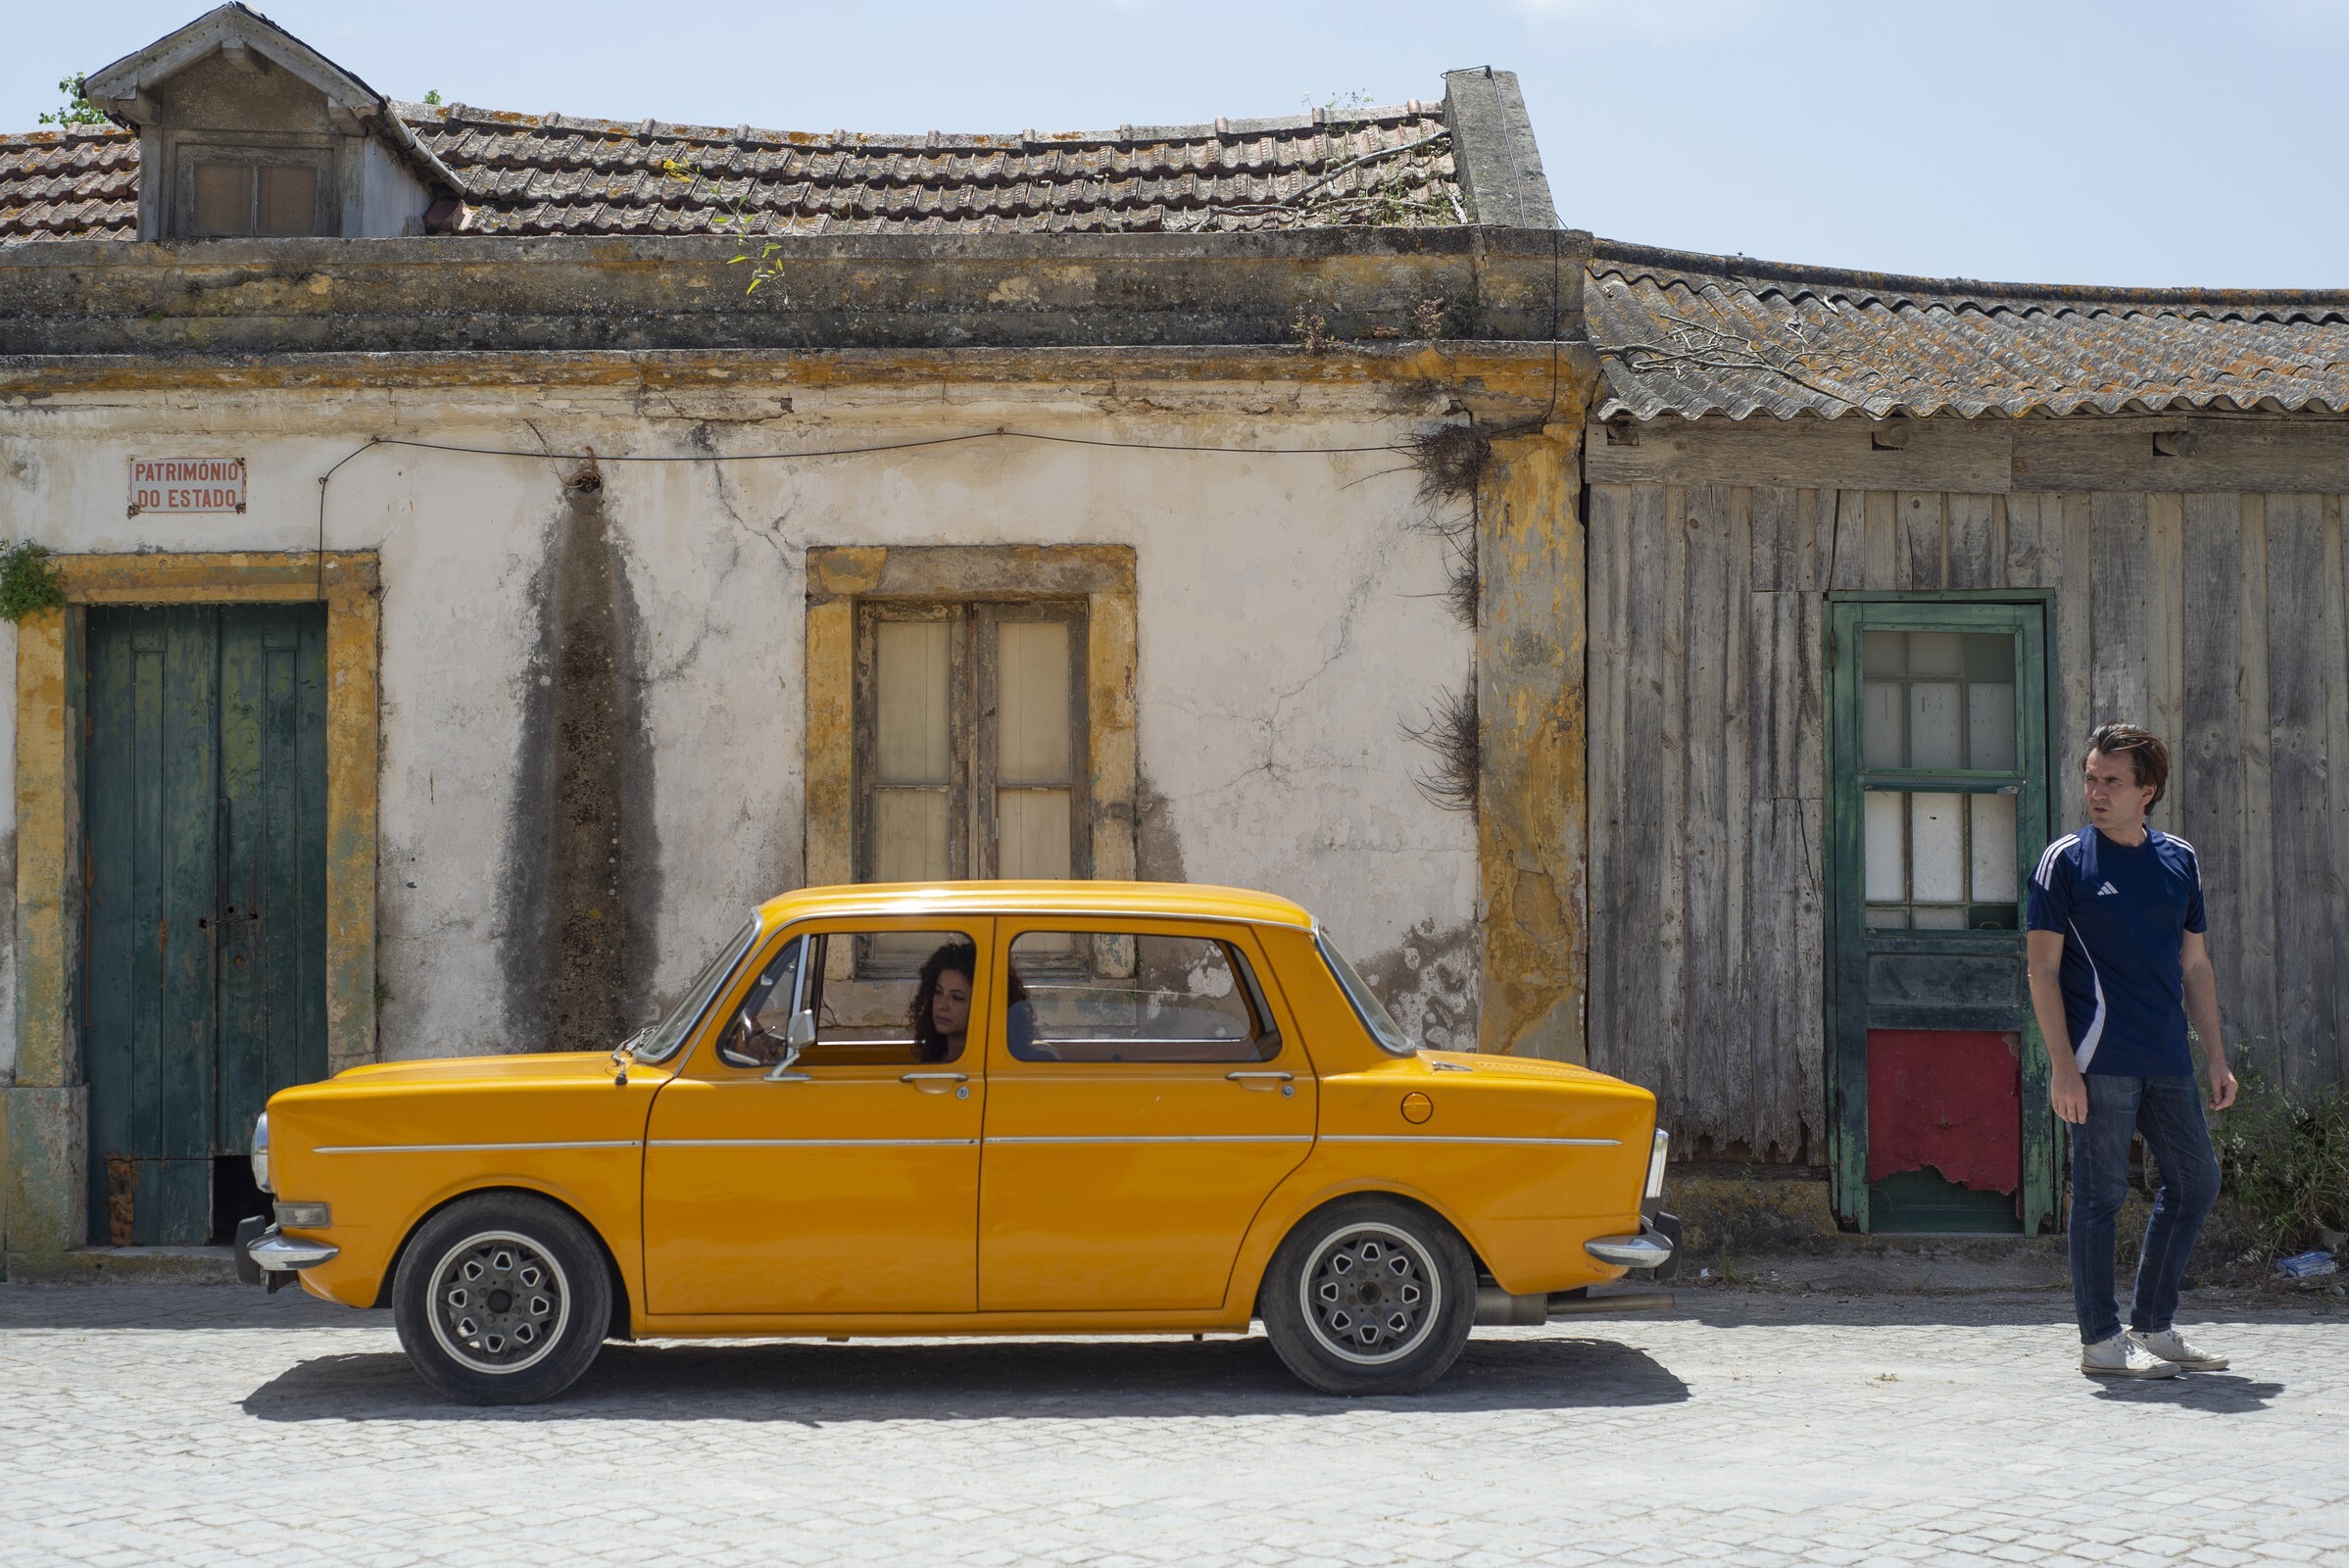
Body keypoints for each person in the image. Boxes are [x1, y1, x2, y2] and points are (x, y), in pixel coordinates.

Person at [2027, 723, 2237, 1380]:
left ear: (2146, 791)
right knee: (2100, 1196)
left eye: (2111, 781)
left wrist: (2215, 1056)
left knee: (2195, 1182)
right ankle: (2099, 1341)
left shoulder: (2180, 859)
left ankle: (2151, 1326)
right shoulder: (2064, 862)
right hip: (2099, 1057)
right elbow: (2040, 970)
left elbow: (2194, 965)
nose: (2095, 791)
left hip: (2166, 1055)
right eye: (2090, 778)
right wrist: (2063, 1067)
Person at [907, 941, 1044, 1062]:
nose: (941, 1005)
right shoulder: (934, 1056)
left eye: (957, 997)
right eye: (938, 992)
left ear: (984, 1004)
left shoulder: (995, 1065)